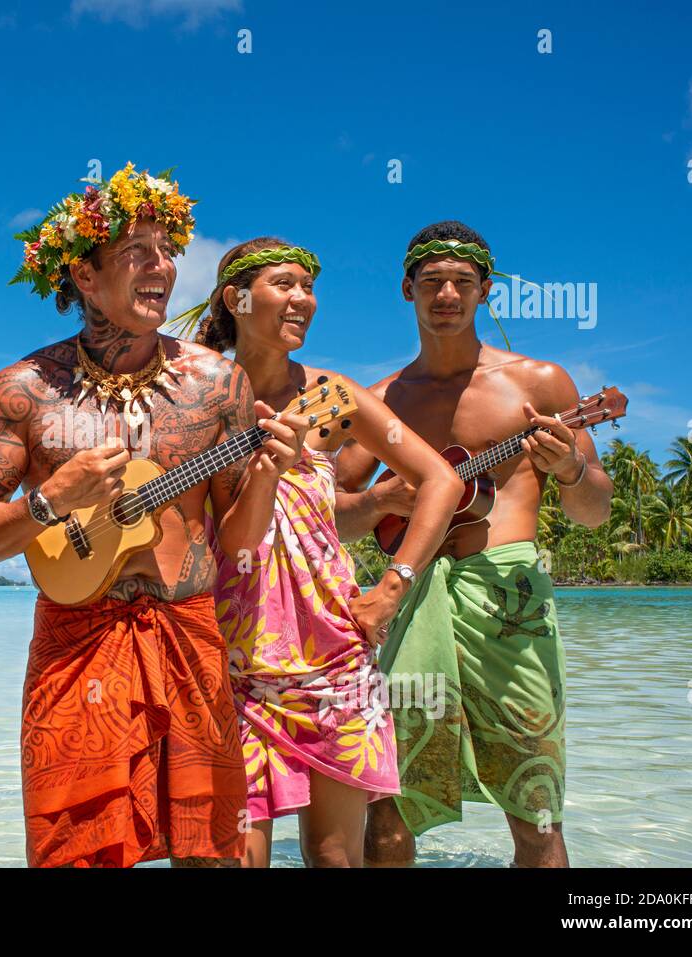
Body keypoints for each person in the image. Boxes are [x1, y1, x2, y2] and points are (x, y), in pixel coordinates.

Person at [0, 164, 309, 867]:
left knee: (211, 852)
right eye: (136, 253)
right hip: (74, 642)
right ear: (83, 276)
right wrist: (54, 497)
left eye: (167, 250)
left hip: (190, 635)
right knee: (72, 850)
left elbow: (237, 538)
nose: (162, 267)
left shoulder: (217, 385)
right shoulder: (24, 391)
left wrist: (266, 477)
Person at [334, 221, 613, 867]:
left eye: (463, 282)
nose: (447, 294)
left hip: (509, 603)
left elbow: (594, 512)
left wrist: (570, 467)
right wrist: (377, 502)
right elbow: (322, 514)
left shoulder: (539, 383)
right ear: (408, 289)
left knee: (536, 805)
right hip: (410, 598)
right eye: (432, 281)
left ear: (486, 291)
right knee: (388, 797)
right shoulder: (382, 401)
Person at [185, 238, 463, 867]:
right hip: (231, 653)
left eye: (309, 288)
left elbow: (441, 481)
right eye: (285, 285)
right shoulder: (197, 393)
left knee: (337, 858)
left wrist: (393, 588)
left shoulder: (331, 396)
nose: (304, 301)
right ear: (237, 298)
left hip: (333, 652)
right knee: (234, 855)